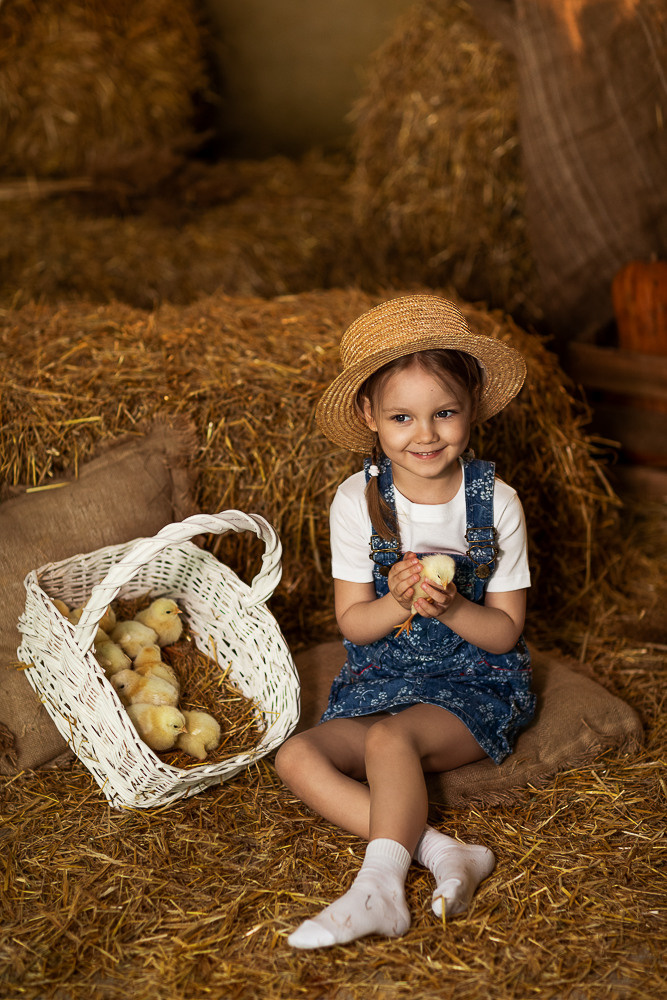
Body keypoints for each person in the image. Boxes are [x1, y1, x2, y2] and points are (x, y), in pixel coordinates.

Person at [275, 294, 536, 949]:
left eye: (444, 412)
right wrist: (395, 602)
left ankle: (378, 889)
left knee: (390, 742)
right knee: (296, 755)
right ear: (368, 416)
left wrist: (452, 607)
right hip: (381, 677)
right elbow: (355, 627)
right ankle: (442, 852)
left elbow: (505, 633)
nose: (425, 435)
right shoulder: (356, 502)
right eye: (401, 416)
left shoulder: (495, 503)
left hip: (473, 683)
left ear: (471, 406)